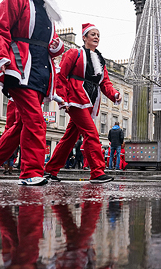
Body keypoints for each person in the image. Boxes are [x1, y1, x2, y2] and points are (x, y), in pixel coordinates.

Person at [0, 0, 65, 186]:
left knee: (22, 123)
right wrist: (2, 59)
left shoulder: (47, 11)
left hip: (41, 71)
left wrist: (56, 46)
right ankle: (31, 172)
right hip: (20, 68)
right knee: (36, 121)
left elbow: (49, 45)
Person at [44, 23, 121, 183]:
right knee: (91, 133)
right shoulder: (74, 53)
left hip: (89, 102)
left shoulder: (100, 60)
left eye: (98, 35)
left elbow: (105, 83)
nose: (96, 37)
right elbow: (61, 76)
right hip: (76, 100)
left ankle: (50, 170)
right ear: (84, 37)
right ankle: (97, 172)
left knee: (70, 138)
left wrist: (115, 94)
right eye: (92, 34)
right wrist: (63, 99)